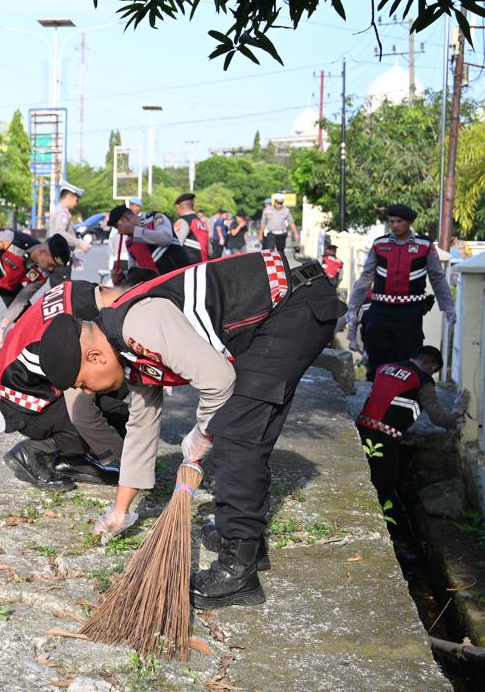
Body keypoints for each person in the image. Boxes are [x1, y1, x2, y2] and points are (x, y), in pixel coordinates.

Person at [31, 250, 344, 609]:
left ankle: (238, 570)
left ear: (95, 357)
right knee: (243, 425)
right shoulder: (124, 346)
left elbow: (218, 382)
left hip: (296, 300)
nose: (88, 393)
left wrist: (202, 435)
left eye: (83, 383)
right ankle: (246, 541)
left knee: (236, 431)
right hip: (286, 305)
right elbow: (142, 425)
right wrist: (120, 510)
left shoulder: (138, 326)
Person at [0, 280, 121, 491]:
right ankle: (31, 452)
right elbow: (82, 413)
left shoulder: (81, 289)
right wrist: (123, 457)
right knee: (105, 407)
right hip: (18, 394)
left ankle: (73, 459)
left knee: (111, 389)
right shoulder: (79, 329)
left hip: (10, 372)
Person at [355, 346, 468, 537]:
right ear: (431, 366)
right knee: (384, 487)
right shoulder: (422, 380)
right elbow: (439, 419)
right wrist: (458, 410)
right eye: (434, 371)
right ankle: (373, 532)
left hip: (360, 430)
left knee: (361, 479)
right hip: (385, 441)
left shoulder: (385, 368)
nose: (432, 374)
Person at [347, 204, 455, 381]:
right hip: (381, 309)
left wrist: (448, 307)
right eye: (391, 222)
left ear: (409, 222)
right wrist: (353, 306)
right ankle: (376, 390)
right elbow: (366, 277)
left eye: (399, 221)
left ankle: (403, 393)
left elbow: (437, 277)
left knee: (407, 358)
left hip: (409, 312)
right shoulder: (380, 244)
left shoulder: (424, 245)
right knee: (376, 354)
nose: (395, 225)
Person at [0, 229, 69, 361]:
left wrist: (2, 326)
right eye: (51, 264)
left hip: (10, 283)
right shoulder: (11, 241)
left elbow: (21, 300)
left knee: (28, 319)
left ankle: (26, 360)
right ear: (42, 252)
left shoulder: (42, 274)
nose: (51, 269)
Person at [107, 203, 190, 286]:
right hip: (159, 287)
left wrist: (134, 230)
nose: (119, 231)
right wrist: (122, 278)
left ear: (126, 218)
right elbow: (134, 271)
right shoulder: (129, 241)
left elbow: (166, 238)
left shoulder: (156, 218)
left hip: (180, 279)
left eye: (118, 226)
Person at [49, 180, 91, 279]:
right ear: (69, 197)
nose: (76, 203)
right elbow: (60, 233)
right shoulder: (62, 213)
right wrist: (79, 243)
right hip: (60, 257)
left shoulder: (60, 211)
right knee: (62, 285)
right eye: (76, 200)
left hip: (59, 256)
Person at [172, 192, 209, 264]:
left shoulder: (183, 221)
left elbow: (175, 245)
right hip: (204, 264)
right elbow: (210, 251)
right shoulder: (202, 223)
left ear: (178, 207)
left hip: (189, 265)